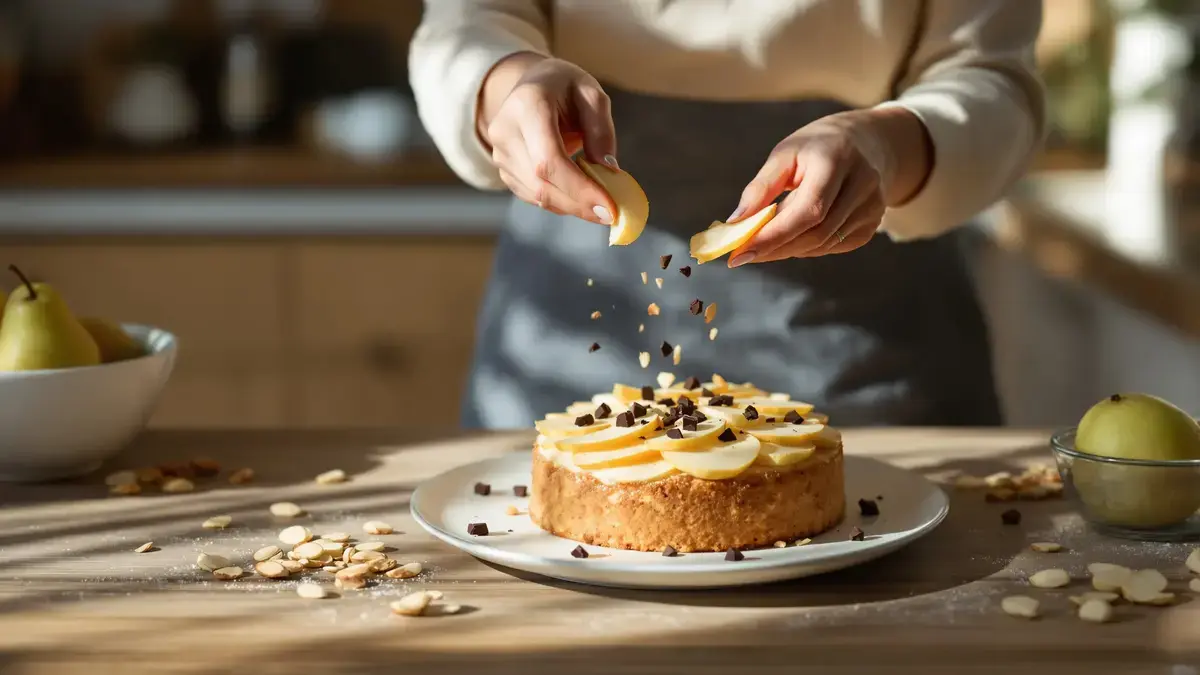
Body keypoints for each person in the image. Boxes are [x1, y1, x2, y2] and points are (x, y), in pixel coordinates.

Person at [409, 1, 1045, 429]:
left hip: (870, 374)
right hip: (559, 361)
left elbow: (990, 77)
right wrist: (504, 85)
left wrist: (884, 145)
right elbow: (468, 21)